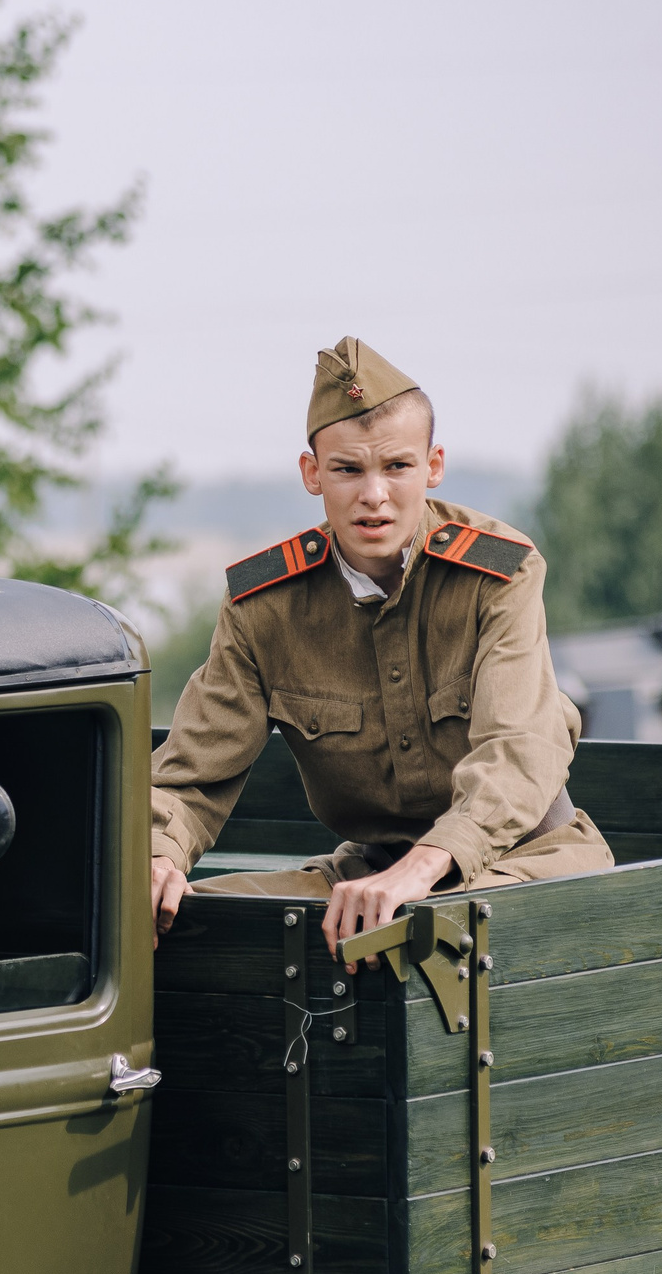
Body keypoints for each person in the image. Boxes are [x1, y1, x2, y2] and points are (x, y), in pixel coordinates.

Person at [150, 337, 612, 953]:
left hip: (528, 859)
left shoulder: (498, 575)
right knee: (191, 922)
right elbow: (190, 779)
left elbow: (517, 751)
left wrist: (422, 869)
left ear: (434, 466)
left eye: (397, 466)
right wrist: (157, 859)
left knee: (416, 932)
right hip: (369, 874)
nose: (374, 495)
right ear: (312, 473)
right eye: (348, 470)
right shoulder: (264, 605)